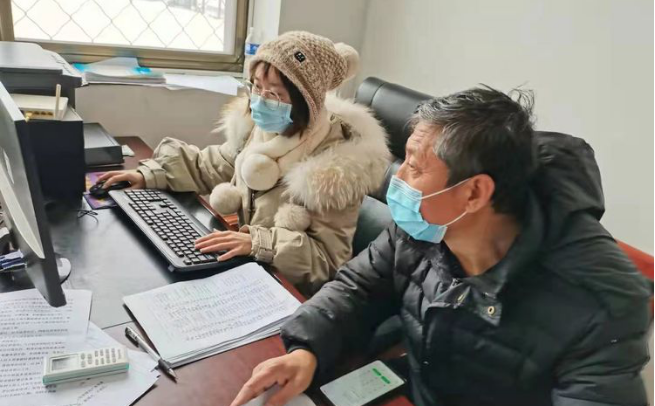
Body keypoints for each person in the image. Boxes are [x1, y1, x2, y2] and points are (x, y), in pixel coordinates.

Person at [230, 87, 653, 406]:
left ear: (474, 193)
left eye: (414, 167)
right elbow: (357, 289)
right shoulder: (423, 229)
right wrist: (307, 350)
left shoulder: (602, 303)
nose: (396, 179)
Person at [99, 31, 390, 295]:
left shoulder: (335, 168)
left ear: (306, 100)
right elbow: (215, 164)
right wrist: (151, 173)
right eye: (256, 87)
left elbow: (327, 263)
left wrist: (259, 243)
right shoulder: (261, 129)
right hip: (253, 268)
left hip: (291, 292)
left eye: (274, 93)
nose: (260, 100)